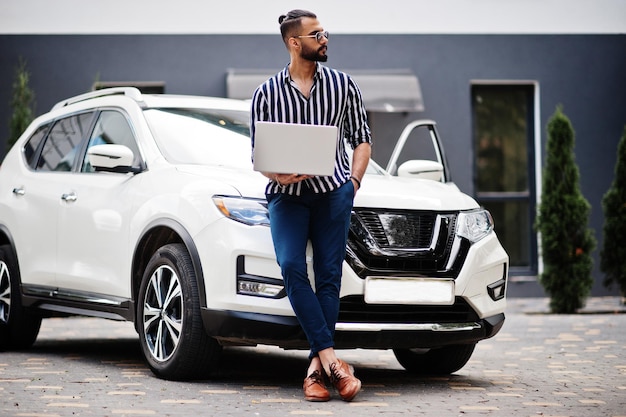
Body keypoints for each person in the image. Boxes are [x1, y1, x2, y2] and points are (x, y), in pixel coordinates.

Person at [250, 9, 372, 402]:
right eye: (316, 34)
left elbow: (362, 139)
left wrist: (352, 183)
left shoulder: (343, 85)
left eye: (325, 32)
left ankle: (314, 373)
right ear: (294, 42)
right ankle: (335, 362)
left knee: (329, 277)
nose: (325, 38)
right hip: (287, 199)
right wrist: (276, 175)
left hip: (334, 194)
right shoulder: (266, 93)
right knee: (290, 267)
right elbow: (259, 154)